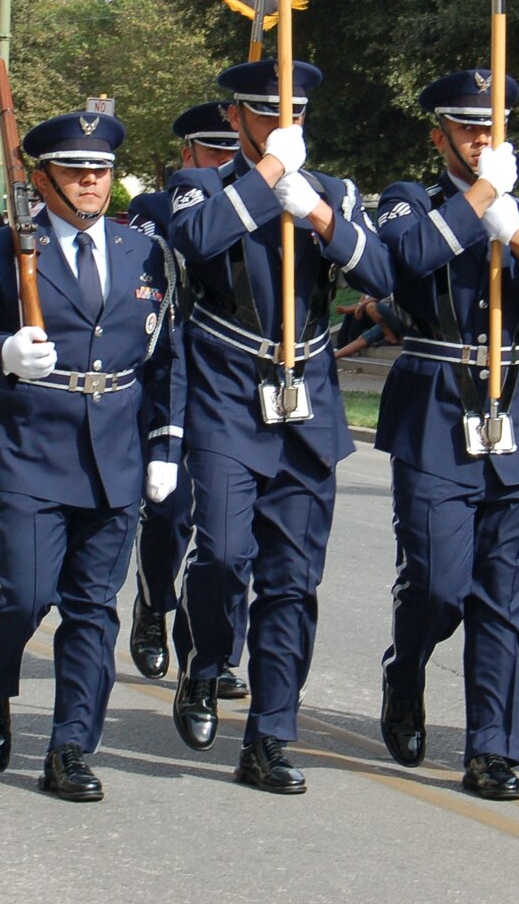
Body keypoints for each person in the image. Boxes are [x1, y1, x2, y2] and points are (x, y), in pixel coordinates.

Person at [0, 110, 184, 802]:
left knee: (92, 609)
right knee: (26, 594)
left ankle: (72, 746)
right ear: (41, 179)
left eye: (101, 171)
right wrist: (4, 353)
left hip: (116, 449)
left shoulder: (146, 252)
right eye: (76, 171)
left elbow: (167, 359)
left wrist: (165, 444)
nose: (91, 182)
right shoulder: (0, 247)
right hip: (28, 445)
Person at [164, 60, 392, 794]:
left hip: (307, 399)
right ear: (235, 118)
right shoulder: (199, 185)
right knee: (225, 555)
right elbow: (197, 242)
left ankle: (268, 737)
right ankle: (204, 664)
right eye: (267, 113)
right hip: (228, 391)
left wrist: (319, 214)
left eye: (295, 112)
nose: (285, 123)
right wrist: (265, 178)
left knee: (293, 580)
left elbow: (383, 278)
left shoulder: (333, 192)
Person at [369, 69, 519, 801]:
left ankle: (491, 748)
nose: (480, 139)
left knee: (503, 594)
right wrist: (481, 200)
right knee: (437, 584)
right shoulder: (413, 200)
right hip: (436, 405)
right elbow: (405, 261)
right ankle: (406, 672)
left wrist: (514, 228)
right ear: (439, 137)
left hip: (517, 408)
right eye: (466, 129)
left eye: (490, 128)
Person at [121, 101, 248, 698]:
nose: (228, 160)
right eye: (215, 151)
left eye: (235, 148)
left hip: (235, 376)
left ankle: (217, 650)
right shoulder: (154, 208)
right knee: (170, 512)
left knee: (232, 529)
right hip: (173, 371)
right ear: (187, 155)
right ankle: (153, 603)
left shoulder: (262, 198)